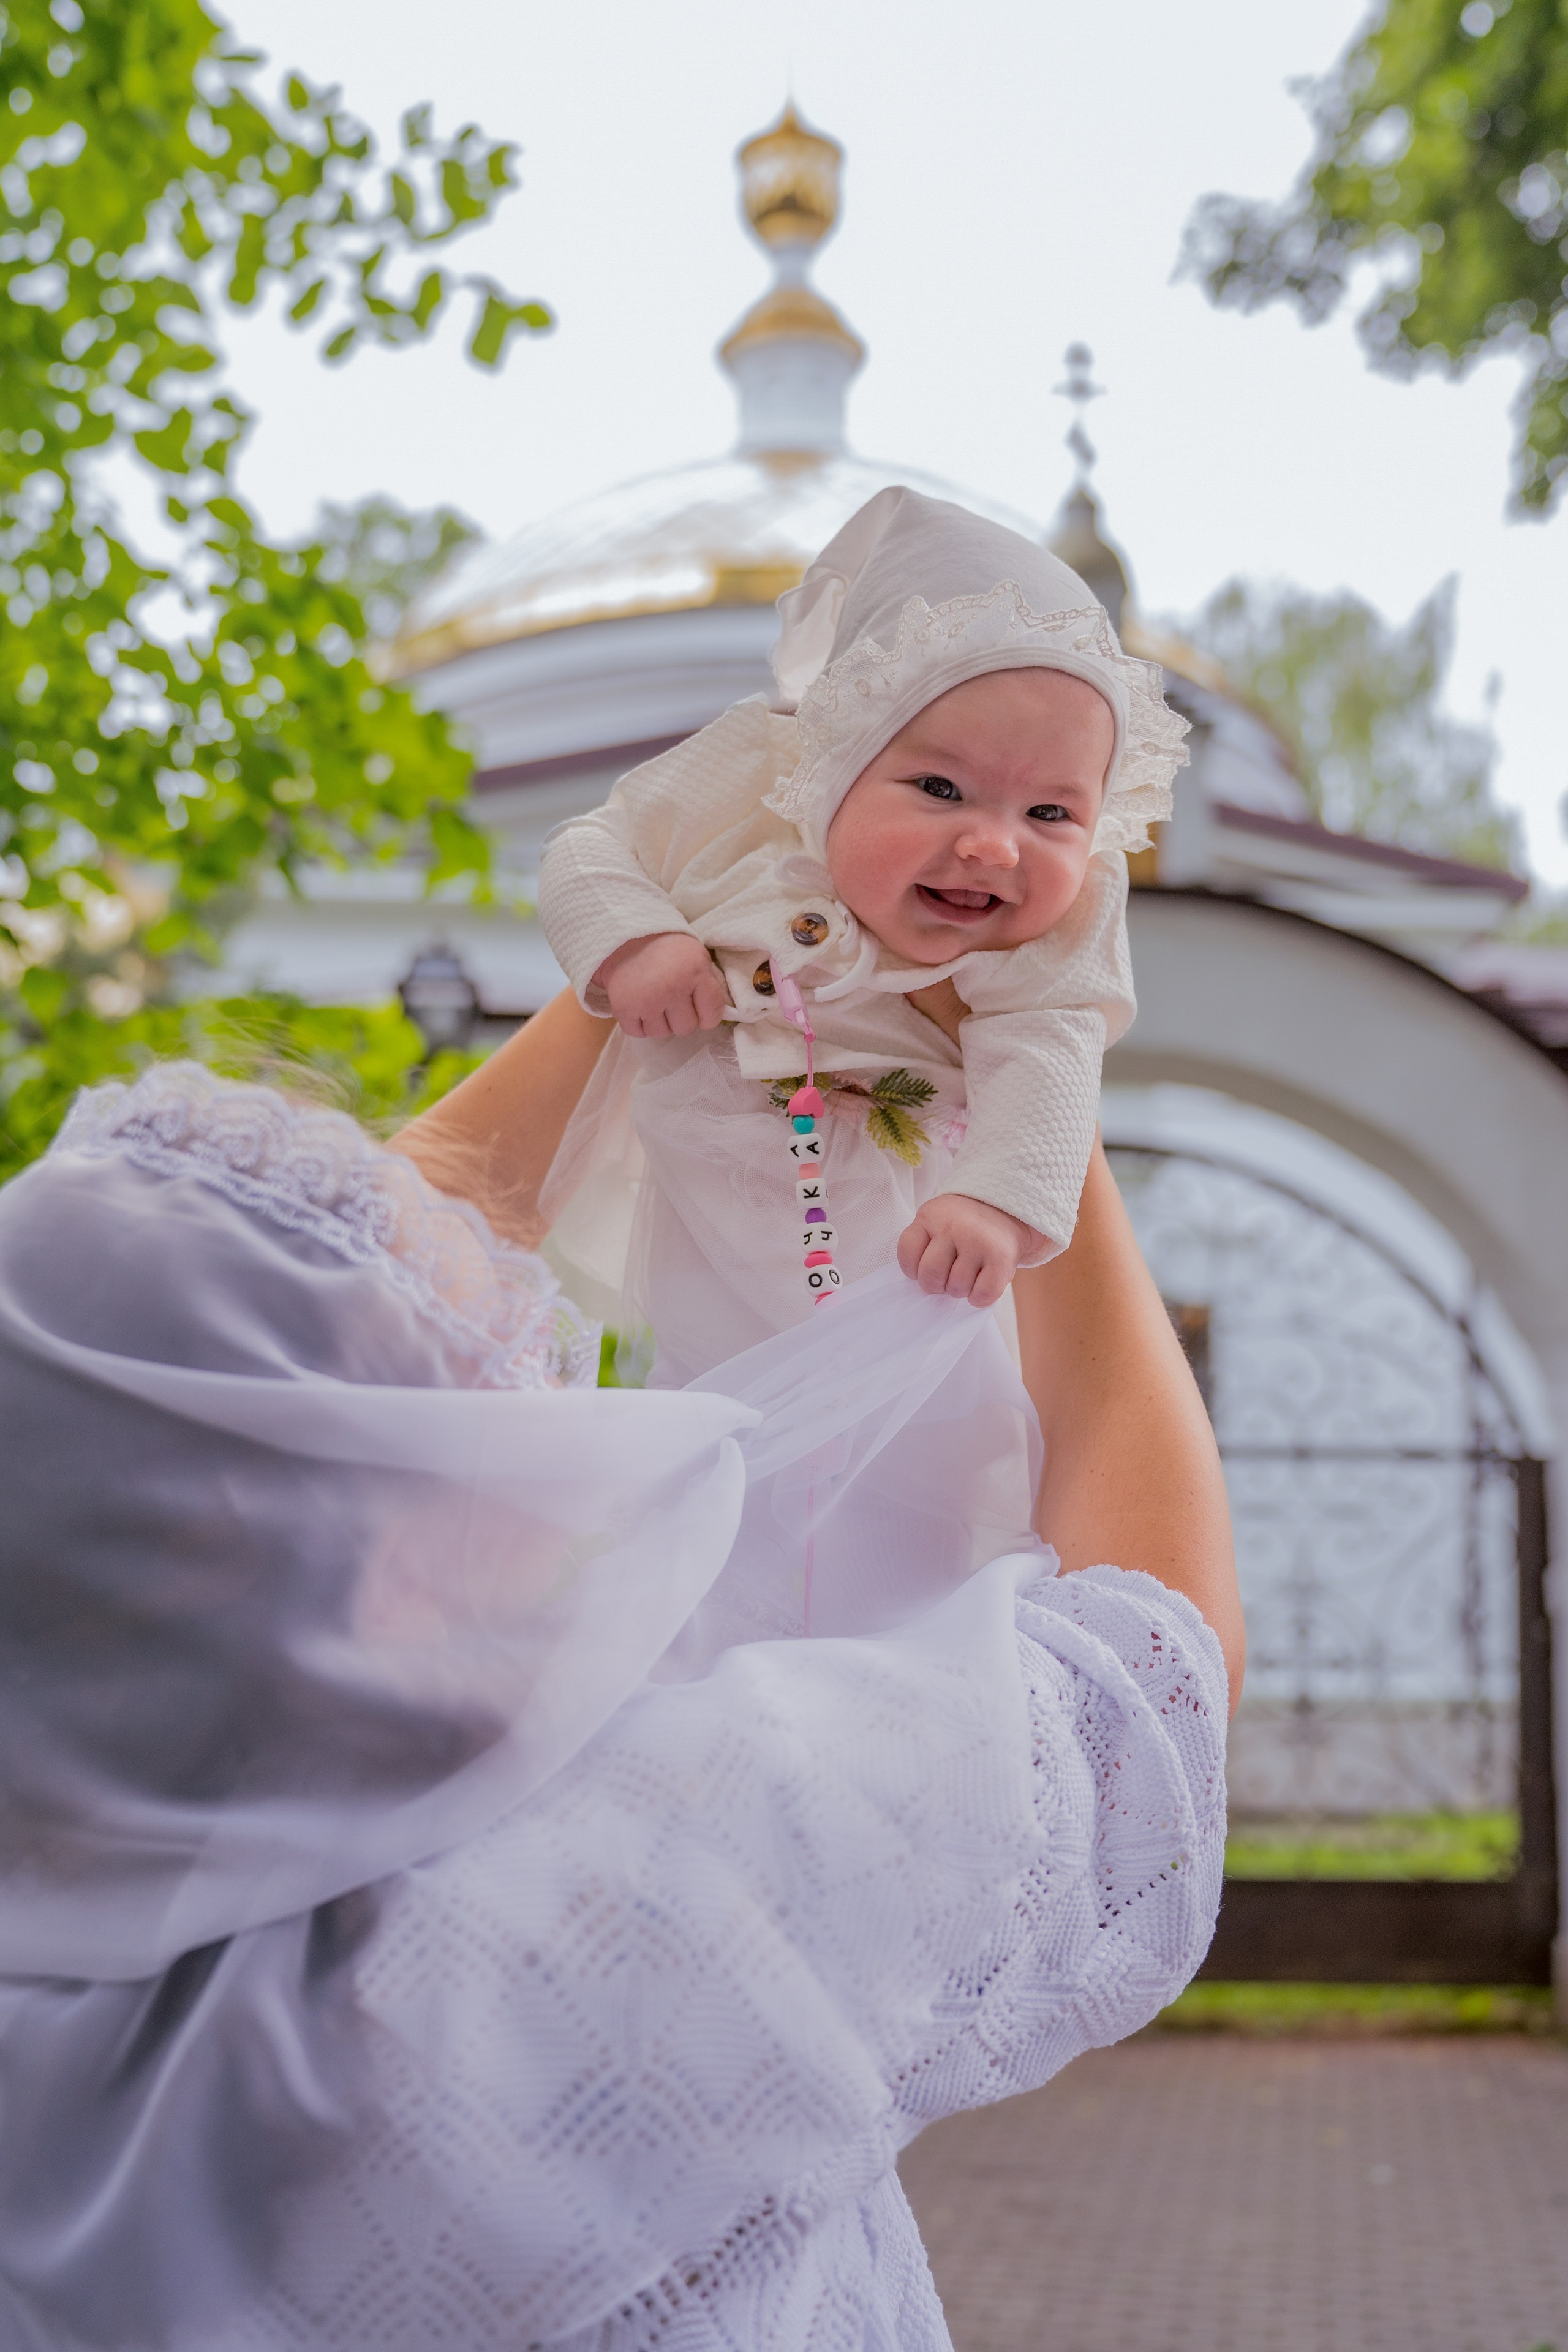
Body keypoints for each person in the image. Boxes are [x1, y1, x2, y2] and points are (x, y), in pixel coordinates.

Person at [0, 982, 1240, 2352]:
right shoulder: (622, 1898)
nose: (532, 1446)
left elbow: (251, 1345)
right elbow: (1144, 1680)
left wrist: (633, 965)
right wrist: (1032, 1097)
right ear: (380, 1554)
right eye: (493, 1423)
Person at [537, 485, 1186, 1382]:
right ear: (836, 761)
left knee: (932, 1431)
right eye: (941, 789)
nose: (994, 845)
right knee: (696, 1392)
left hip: (909, 1223)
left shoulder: (1062, 922)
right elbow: (593, 844)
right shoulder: (752, 784)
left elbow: (1054, 1046)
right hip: (698, 1180)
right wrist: (638, 939)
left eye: (1049, 811)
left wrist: (995, 1206)